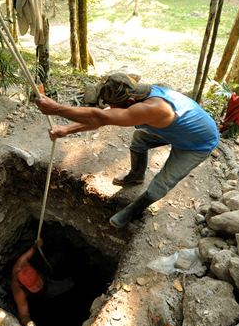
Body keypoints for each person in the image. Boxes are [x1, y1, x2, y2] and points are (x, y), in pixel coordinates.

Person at [33, 73, 220, 229]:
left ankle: (134, 210)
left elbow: (100, 117)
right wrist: (66, 130)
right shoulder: (138, 95)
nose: (110, 108)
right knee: (139, 139)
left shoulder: (154, 108)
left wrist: (56, 109)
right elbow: (101, 118)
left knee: (162, 183)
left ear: (130, 101)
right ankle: (136, 175)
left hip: (196, 143)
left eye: (113, 106)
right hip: (175, 131)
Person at [11, 243, 74, 326]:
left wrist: (36, 244)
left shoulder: (21, 263)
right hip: (46, 291)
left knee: (57, 257)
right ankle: (74, 281)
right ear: (23, 286)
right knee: (67, 285)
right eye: (34, 286)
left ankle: (63, 250)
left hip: (42, 270)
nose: (38, 286)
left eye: (38, 283)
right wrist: (29, 324)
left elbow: (31, 250)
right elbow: (24, 314)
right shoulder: (18, 291)